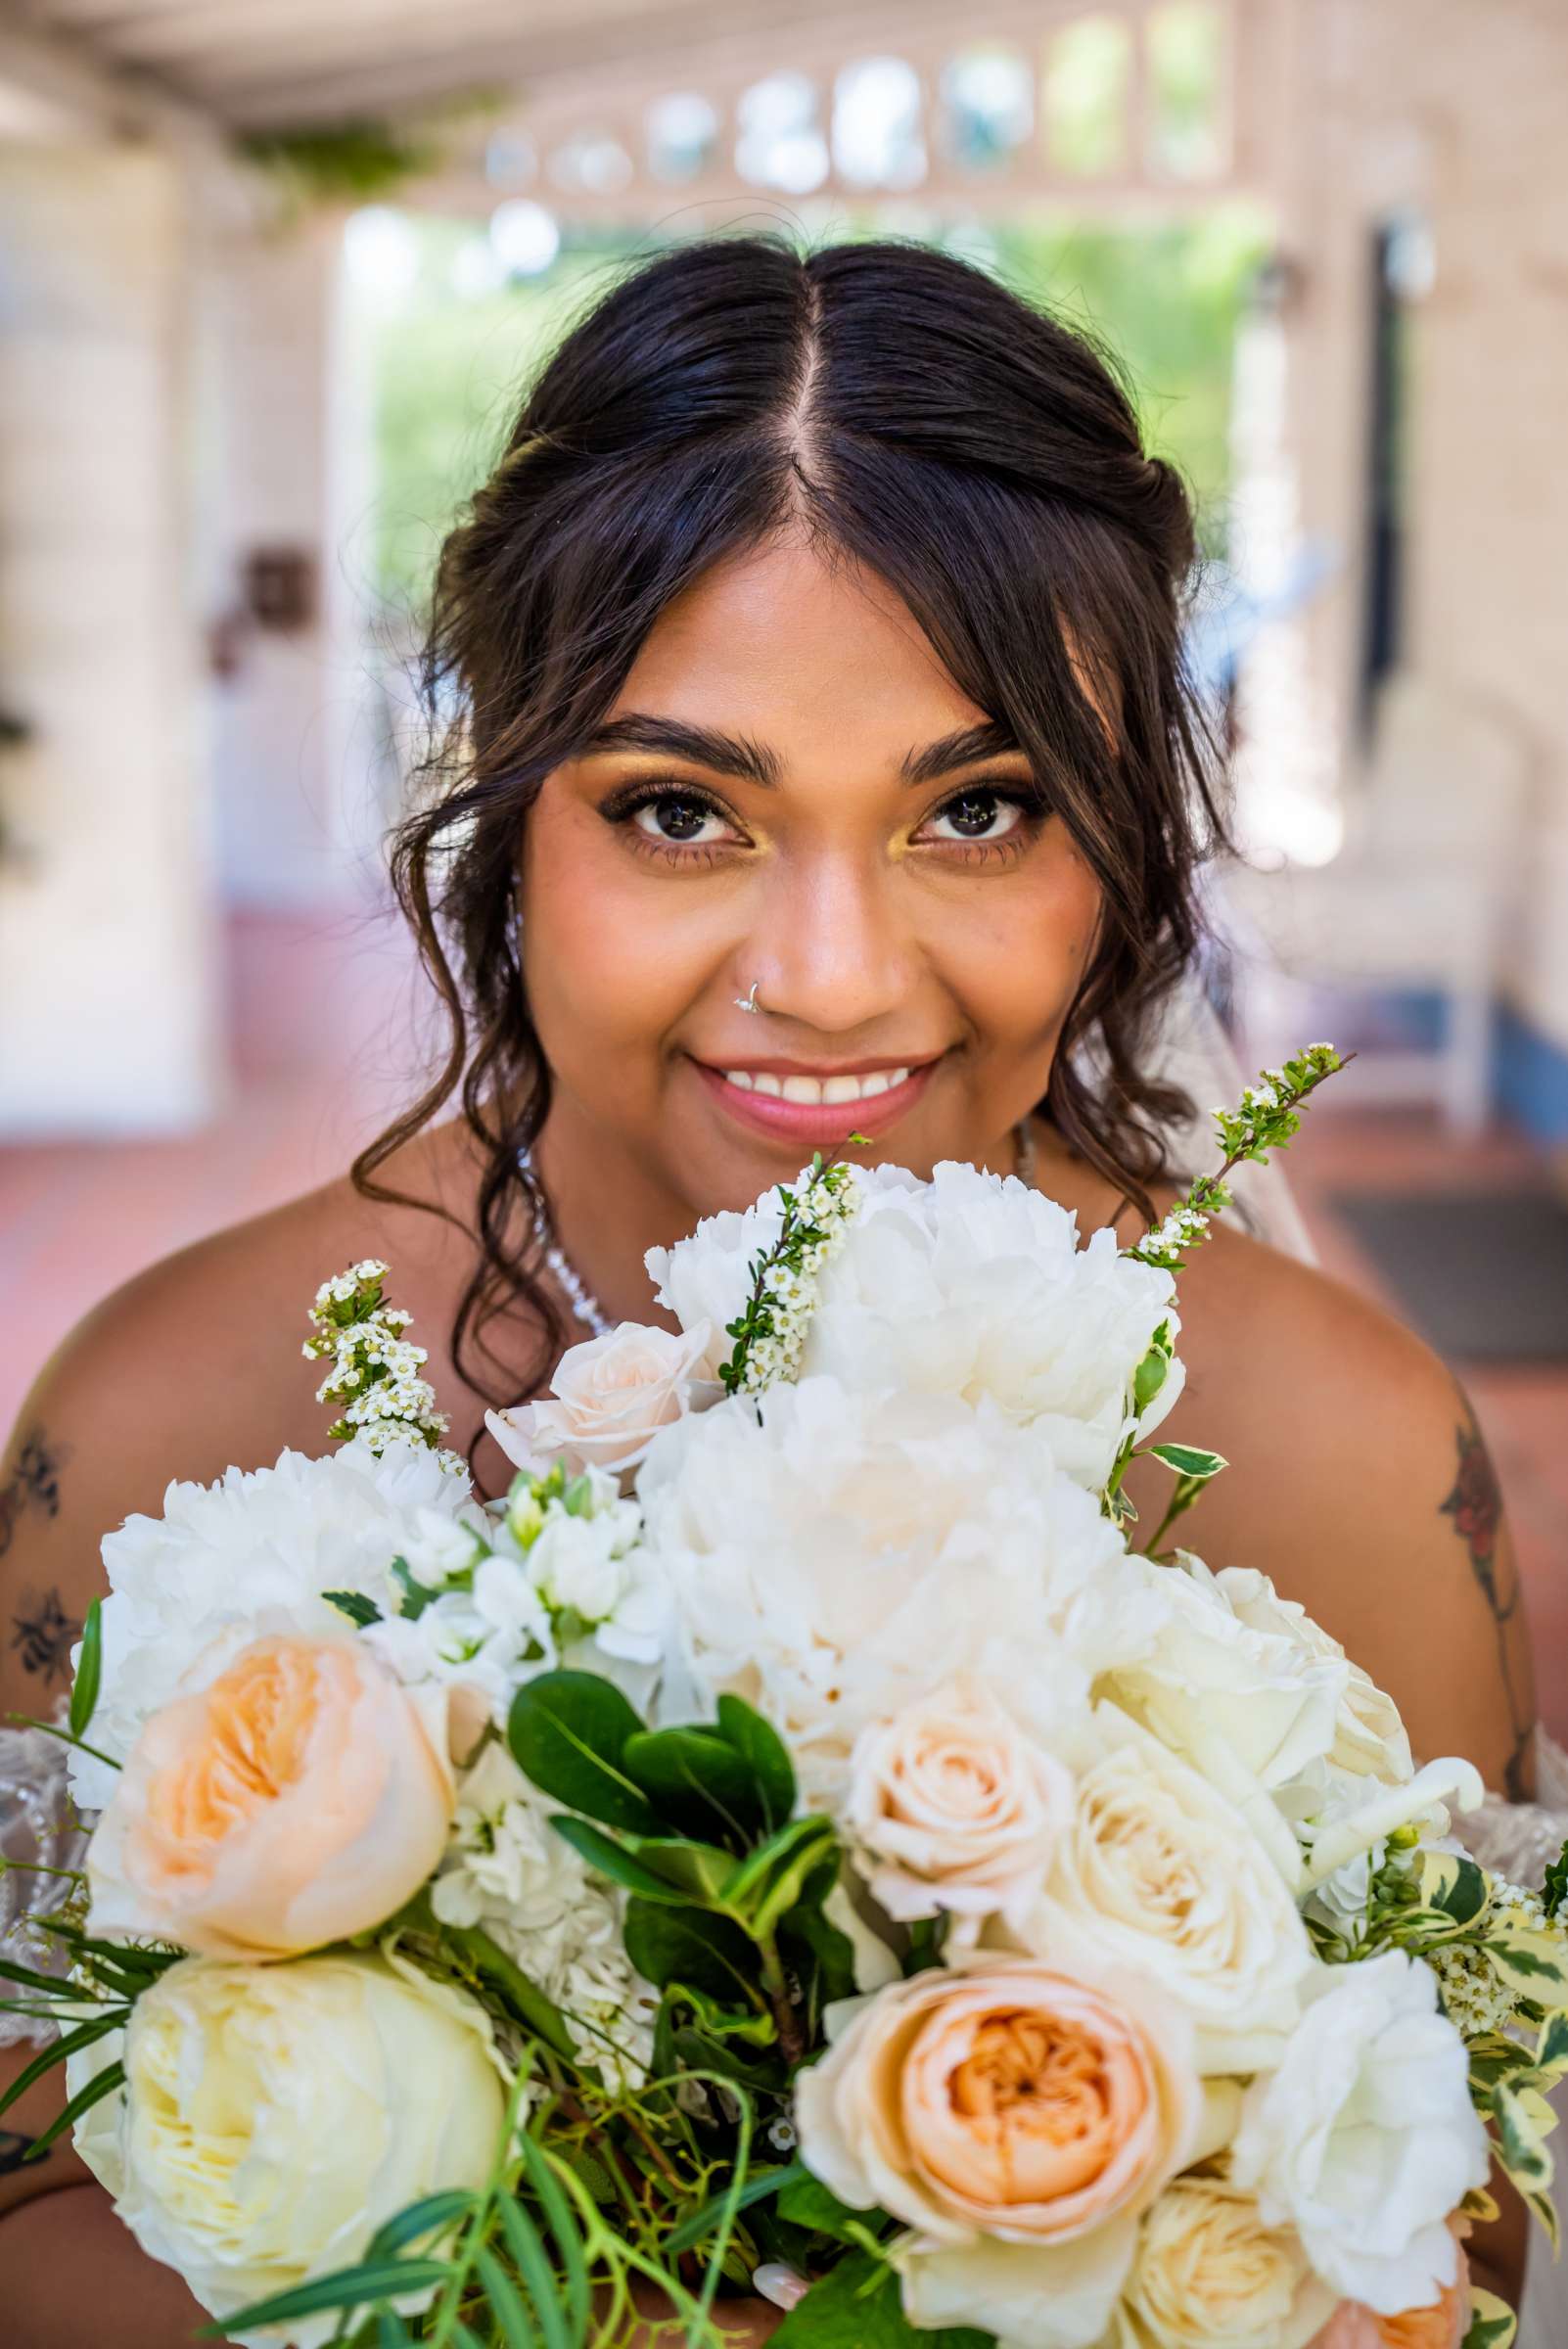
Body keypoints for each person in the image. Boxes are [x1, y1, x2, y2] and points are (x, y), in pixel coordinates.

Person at [0, 234, 1542, 2344]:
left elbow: (1448, 2233)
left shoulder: (1347, 1459)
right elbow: (26, 2206)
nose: (829, 975)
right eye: (682, 812)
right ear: (509, 818)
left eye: (977, 810)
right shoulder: (165, 1422)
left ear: (1118, 848)